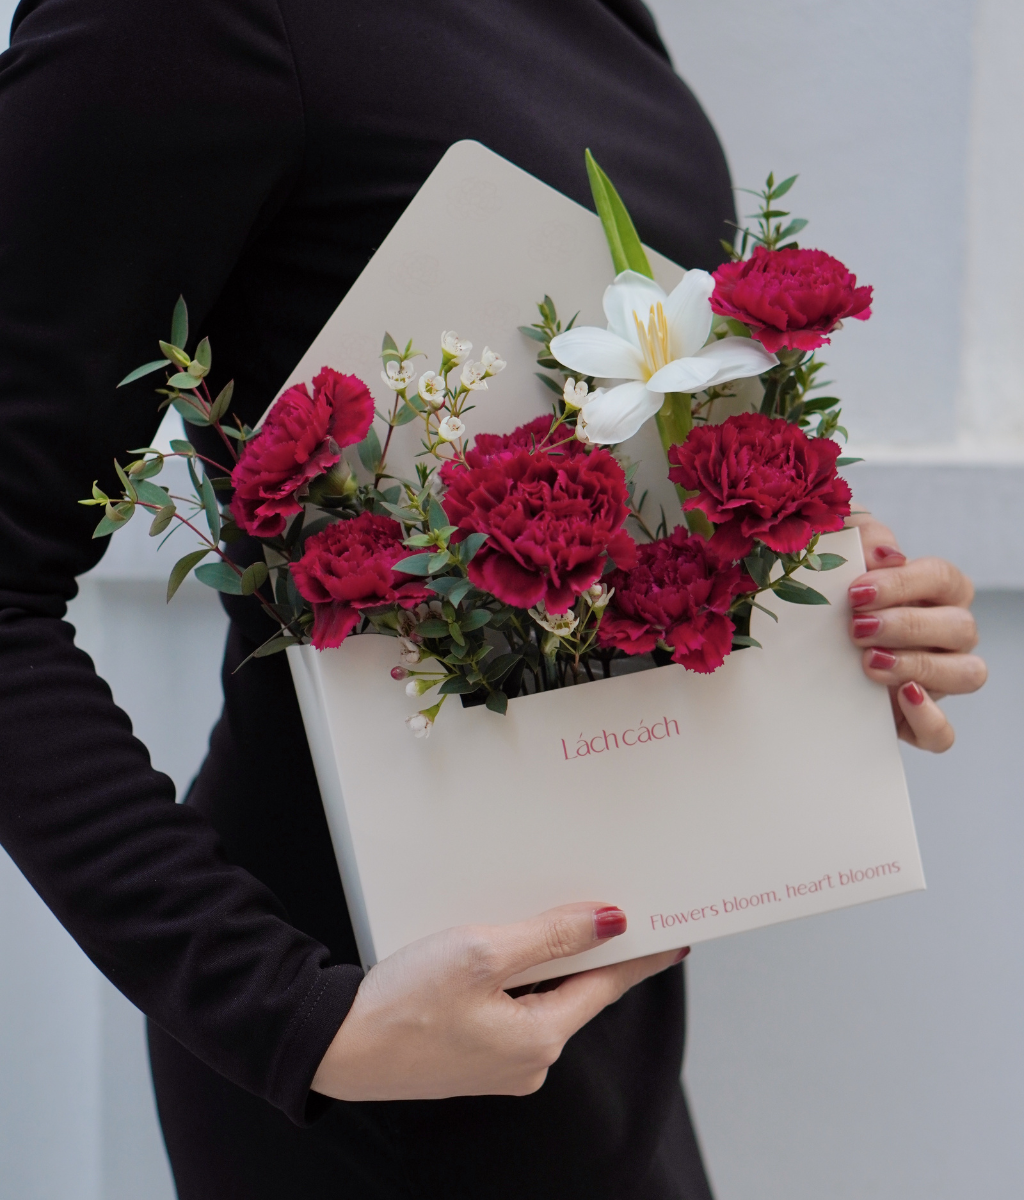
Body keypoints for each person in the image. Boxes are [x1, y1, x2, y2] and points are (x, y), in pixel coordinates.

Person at [0, 1, 986, 1197]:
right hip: (373, 1037)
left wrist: (816, 587)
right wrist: (293, 1016)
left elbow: (601, 431)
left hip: (606, 1014)